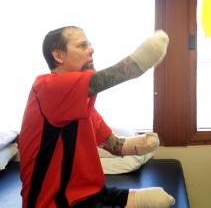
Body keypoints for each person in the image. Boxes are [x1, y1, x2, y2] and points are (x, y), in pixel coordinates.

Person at [19, 26, 176, 208]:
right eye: (82, 46)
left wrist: (141, 144)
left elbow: (115, 145)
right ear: (58, 56)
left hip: (90, 193)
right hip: (53, 202)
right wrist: (143, 59)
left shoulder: (81, 106)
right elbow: (110, 77)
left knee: (157, 198)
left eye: (90, 45)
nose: (91, 49)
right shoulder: (46, 88)